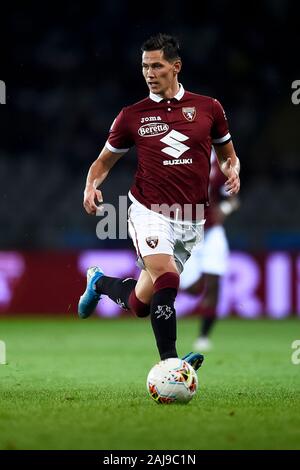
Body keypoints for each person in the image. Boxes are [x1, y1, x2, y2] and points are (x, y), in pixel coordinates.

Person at [78, 33, 240, 372]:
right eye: (144, 66)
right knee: (168, 278)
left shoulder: (209, 108)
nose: (149, 73)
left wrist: (232, 171)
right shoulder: (131, 116)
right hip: (148, 211)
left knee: (140, 304)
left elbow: (228, 156)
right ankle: (171, 364)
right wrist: (91, 185)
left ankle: (99, 283)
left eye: (157, 66)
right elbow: (103, 162)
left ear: (176, 67)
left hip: (192, 219)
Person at [180, 148, 240, 351]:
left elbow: (233, 198)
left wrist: (226, 209)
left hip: (212, 232)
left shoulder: (222, 162)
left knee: (214, 283)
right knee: (194, 288)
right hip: (187, 232)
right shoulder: (178, 155)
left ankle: (204, 336)